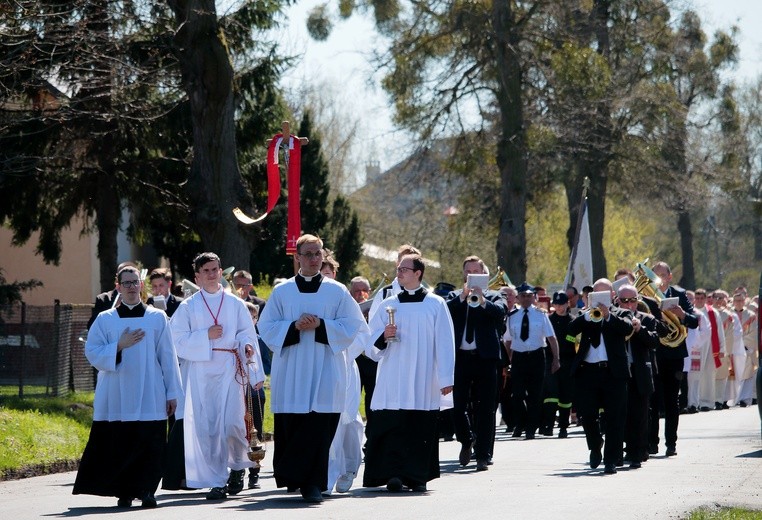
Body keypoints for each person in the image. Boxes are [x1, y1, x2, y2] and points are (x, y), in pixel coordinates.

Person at [257, 235, 369, 503]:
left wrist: (321, 325)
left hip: (326, 369)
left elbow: (354, 325)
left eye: (318, 253)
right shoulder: (282, 292)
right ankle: (294, 478)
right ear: (297, 257)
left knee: (319, 427)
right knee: (295, 425)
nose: (314, 259)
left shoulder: (337, 291)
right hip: (293, 370)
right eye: (308, 254)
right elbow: (266, 327)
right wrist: (294, 326)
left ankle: (313, 484)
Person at [73, 266, 182, 508]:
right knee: (121, 443)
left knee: (150, 444)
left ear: (141, 285)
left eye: (135, 282)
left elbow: (168, 357)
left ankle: (147, 491)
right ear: (118, 286)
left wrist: (173, 392)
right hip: (117, 393)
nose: (132, 287)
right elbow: (92, 353)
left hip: (150, 391)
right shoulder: (105, 319)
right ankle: (124, 491)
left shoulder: (156, 317)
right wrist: (118, 346)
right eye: (127, 283)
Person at [167, 252, 265, 500]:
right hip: (201, 372)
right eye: (206, 271)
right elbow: (175, 341)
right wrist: (204, 337)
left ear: (221, 272)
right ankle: (217, 480)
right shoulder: (188, 307)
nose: (211, 274)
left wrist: (247, 348)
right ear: (197, 277)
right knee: (209, 427)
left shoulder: (235, 304)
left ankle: (237, 468)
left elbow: (247, 333)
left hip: (230, 369)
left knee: (232, 424)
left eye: (215, 269)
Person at [363, 253, 455, 493]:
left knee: (419, 425)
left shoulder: (435, 304)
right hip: (393, 373)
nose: (399, 272)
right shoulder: (387, 304)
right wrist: (384, 336)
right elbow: (369, 343)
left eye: (405, 269)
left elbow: (445, 342)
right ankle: (392, 474)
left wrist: (446, 378)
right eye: (398, 268)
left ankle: (417, 476)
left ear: (418, 273)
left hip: (424, 376)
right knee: (392, 423)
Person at [446, 256, 507, 471]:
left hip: (485, 359)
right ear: (464, 275)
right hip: (461, 358)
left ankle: (483, 455)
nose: (472, 274)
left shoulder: (494, 295)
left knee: (486, 408)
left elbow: (501, 313)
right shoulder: (455, 296)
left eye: (476, 271)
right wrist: (463, 297)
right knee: (457, 405)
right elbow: (446, 312)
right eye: (468, 271)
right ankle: (466, 439)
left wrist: (482, 301)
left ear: (484, 275)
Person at [568, 278, 633, 475]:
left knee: (615, 417)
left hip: (613, 373)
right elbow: (570, 332)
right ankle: (595, 445)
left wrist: (607, 316)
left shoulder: (621, 313)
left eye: (604, 294)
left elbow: (627, 328)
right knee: (587, 415)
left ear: (612, 296)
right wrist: (587, 316)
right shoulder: (584, 315)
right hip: (588, 371)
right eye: (595, 294)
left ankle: (611, 459)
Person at [319, 251, 368, 495]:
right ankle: (327, 475)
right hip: (320, 368)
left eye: (327, 273)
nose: (323, 278)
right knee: (326, 422)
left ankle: (349, 467)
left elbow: (362, 334)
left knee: (347, 420)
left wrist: (342, 347)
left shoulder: (343, 298)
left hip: (345, 366)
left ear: (334, 275)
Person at [648, 262, 699, 457]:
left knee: (671, 401)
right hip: (654, 352)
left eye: (663, 275)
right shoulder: (646, 295)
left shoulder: (679, 294)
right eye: (656, 275)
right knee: (652, 400)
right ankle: (652, 443)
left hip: (674, 354)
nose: (659, 279)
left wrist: (682, 314)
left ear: (670, 277)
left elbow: (694, 321)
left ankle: (671, 443)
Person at [503, 282, 560, 440]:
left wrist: (556, 359)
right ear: (518, 298)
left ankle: (531, 428)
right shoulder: (512, 317)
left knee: (535, 395)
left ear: (534, 297)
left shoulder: (541, 314)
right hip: (519, 357)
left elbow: (551, 338)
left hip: (536, 356)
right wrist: (506, 362)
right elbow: (508, 341)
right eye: (523, 296)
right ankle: (520, 423)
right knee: (517, 395)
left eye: (529, 296)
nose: (526, 299)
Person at [616, 283, 664, 468]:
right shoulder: (612, 318)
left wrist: (639, 329)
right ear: (617, 301)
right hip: (619, 372)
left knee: (640, 414)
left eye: (633, 300)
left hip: (639, 372)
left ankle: (637, 451)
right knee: (619, 414)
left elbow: (654, 342)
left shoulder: (647, 318)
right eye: (624, 300)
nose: (628, 304)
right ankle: (619, 452)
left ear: (638, 301)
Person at [243, 301, 270, 490]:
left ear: (256, 319)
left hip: (255, 392)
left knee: (255, 432)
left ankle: (254, 471)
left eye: (251, 317)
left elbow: (267, 365)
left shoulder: (260, 340)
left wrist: (256, 369)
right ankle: (237, 471)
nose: (248, 321)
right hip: (238, 392)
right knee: (238, 432)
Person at [368, 244, 422, 320]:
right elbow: (373, 326)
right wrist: (385, 332)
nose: (403, 269)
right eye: (403, 263)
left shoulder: (429, 297)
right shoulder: (384, 294)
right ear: (397, 263)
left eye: (408, 266)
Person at [548, 291, 575, 438]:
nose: (559, 307)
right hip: (551, 361)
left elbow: (576, 342)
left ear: (567, 304)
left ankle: (564, 426)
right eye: (556, 304)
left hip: (568, 361)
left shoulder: (573, 321)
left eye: (562, 304)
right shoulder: (549, 320)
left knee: (566, 395)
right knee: (551, 393)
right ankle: (549, 424)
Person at [693, 288, 724, 411]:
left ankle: (707, 402)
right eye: (697, 298)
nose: (699, 301)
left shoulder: (713, 312)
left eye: (702, 298)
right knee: (695, 375)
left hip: (710, 347)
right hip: (695, 348)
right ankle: (695, 401)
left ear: (706, 299)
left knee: (708, 374)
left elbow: (719, 331)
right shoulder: (691, 311)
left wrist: (722, 348)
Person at [732, 292, 757, 407]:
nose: (739, 303)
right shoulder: (729, 315)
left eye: (741, 300)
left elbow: (754, 333)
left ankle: (745, 398)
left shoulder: (751, 315)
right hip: (731, 349)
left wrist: (743, 344)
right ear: (733, 301)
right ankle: (732, 398)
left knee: (747, 374)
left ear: (745, 301)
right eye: (736, 300)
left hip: (746, 349)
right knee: (732, 374)